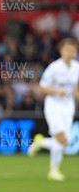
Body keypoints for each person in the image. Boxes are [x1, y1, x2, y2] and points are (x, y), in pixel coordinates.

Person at [27, 38, 79, 181]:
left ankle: (41, 142)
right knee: (61, 140)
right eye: (68, 49)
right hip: (54, 106)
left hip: (68, 107)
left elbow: (75, 88)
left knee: (64, 142)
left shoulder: (76, 67)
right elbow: (42, 88)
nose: (71, 52)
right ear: (61, 51)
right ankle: (53, 171)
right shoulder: (54, 68)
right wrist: (57, 92)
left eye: (73, 50)